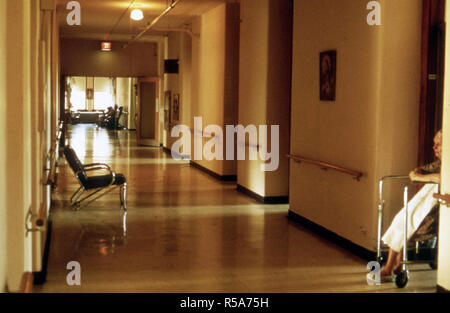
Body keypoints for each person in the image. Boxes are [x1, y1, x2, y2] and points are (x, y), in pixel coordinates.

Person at [378, 130, 442, 281]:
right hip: (425, 200)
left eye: (438, 144)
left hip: (434, 206)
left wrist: (421, 177)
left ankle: (390, 268)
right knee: (402, 220)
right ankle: (396, 265)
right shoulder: (441, 162)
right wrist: (418, 173)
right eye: (434, 144)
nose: (434, 148)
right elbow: (420, 171)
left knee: (406, 223)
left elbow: (442, 177)